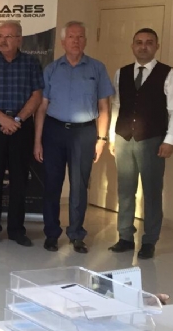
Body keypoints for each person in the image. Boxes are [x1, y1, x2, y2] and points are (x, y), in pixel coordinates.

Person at [34, 21, 114, 253]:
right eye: (71, 37)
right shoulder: (51, 69)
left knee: (79, 186)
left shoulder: (97, 68)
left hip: (84, 132)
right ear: (63, 42)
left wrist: (101, 139)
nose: (76, 41)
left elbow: (104, 107)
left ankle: (76, 234)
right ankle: (51, 234)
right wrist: (37, 141)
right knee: (52, 184)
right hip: (54, 131)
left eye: (80, 37)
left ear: (85, 41)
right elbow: (41, 107)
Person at [108, 28, 173, 260]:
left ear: (156, 46)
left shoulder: (169, 74)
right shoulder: (121, 73)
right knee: (125, 190)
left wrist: (169, 140)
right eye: (139, 42)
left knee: (151, 192)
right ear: (132, 46)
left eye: (149, 42)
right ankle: (125, 237)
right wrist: (112, 136)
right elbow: (117, 106)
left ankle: (149, 240)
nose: (143, 46)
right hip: (124, 138)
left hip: (152, 140)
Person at [0, 21, 43, 246]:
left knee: (19, 180)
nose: (3, 40)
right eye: (0, 36)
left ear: (19, 39)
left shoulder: (31, 63)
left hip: (21, 126)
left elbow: (37, 96)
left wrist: (17, 119)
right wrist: (2, 118)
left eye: (9, 36)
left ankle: (16, 230)